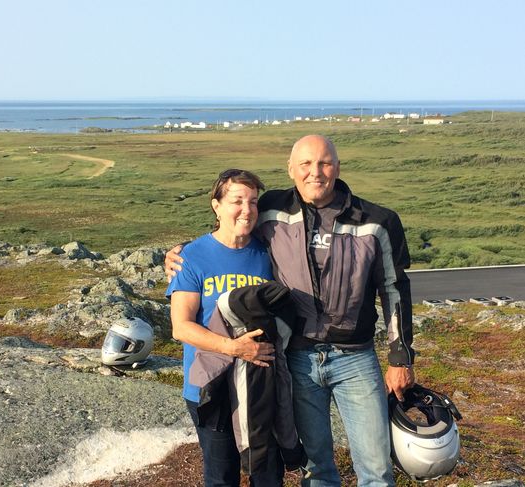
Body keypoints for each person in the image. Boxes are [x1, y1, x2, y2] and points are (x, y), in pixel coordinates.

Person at [167, 135, 416, 486]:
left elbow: (394, 289)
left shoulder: (376, 221)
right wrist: (181, 253)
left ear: (338, 167)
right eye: (306, 164)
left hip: (354, 358)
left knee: (375, 469)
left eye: (325, 163)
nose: (316, 172)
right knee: (315, 467)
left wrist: (400, 358)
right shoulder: (273, 210)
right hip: (295, 358)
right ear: (291, 170)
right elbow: (227, 234)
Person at [166, 169, 284, 487]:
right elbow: (181, 327)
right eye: (237, 201)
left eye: (253, 202)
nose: (247, 210)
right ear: (216, 206)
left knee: (268, 473)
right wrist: (233, 348)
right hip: (211, 385)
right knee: (221, 475)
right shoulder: (191, 257)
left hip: (259, 385)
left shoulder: (269, 254)